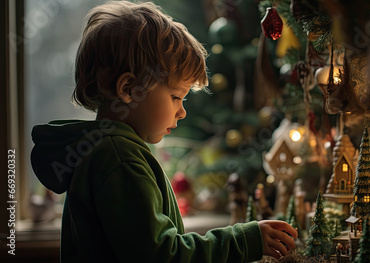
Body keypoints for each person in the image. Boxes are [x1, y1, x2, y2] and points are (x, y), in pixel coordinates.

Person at [30, 1, 296, 262]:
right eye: (175, 97)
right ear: (128, 89)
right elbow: (162, 255)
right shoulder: (119, 159)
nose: (182, 112)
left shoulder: (105, 151)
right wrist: (244, 240)